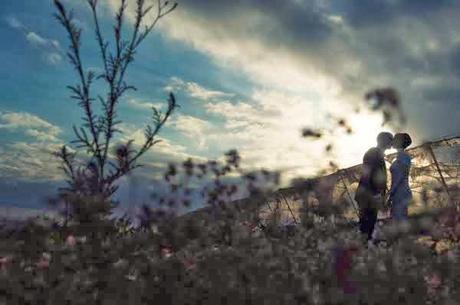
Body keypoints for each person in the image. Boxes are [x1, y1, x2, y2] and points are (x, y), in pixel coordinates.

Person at [355, 132, 393, 242]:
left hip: (369, 194)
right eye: (390, 139)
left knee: (368, 225)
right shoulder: (374, 153)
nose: (392, 142)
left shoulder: (376, 153)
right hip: (368, 195)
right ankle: (362, 251)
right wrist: (374, 195)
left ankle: (363, 248)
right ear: (384, 140)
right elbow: (369, 174)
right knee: (366, 225)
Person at [388, 133, 413, 221]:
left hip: (401, 192)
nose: (392, 141)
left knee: (400, 220)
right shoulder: (400, 156)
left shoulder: (404, 156)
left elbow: (400, 176)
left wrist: (391, 192)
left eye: (395, 139)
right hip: (397, 192)